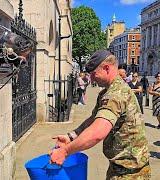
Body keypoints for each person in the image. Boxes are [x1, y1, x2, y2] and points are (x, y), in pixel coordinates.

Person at [50, 50, 150, 179]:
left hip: (131, 173)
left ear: (106, 68)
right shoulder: (106, 92)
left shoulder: (115, 94)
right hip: (119, 167)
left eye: (93, 74)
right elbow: (93, 120)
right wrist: (71, 136)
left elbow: (97, 133)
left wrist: (65, 151)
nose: (91, 79)